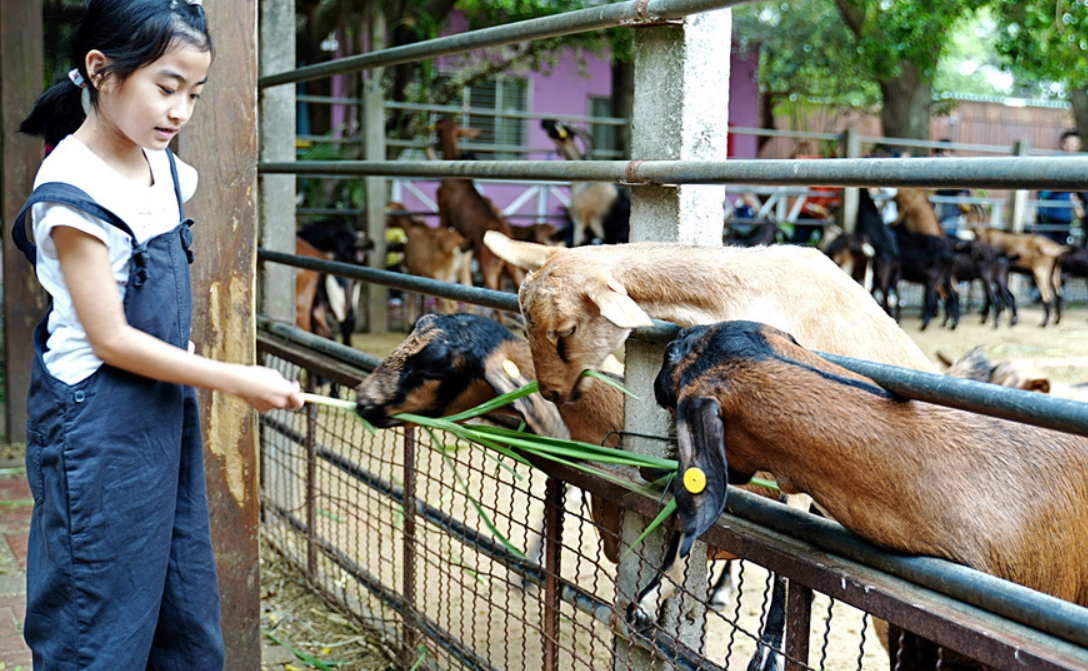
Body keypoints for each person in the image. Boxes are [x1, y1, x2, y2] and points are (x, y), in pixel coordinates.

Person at [12, 1, 303, 667]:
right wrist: (237, 378)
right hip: (95, 424)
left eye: (194, 94)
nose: (180, 112)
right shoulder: (72, 189)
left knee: (179, 599)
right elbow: (110, 337)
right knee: (97, 615)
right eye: (165, 88)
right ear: (101, 70)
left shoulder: (164, 167)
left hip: (162, 408)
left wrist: (185, 363)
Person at [1035, 129, 1086, 244]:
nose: (1070, 148)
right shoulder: (1052, 162)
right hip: (1047, 214)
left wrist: (1078, 205)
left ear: (1079, 146)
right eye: (1067, 144)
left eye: (1074, 145)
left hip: (1064, 215)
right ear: (1062, 144)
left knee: (1061, 246)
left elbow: (1079, 191)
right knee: (1043, 244)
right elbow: (1042, 192)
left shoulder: (1078, 165)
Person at [931, 139, 971, 236]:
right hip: (938, 207)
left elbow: (963, 193)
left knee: (948, 233)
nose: (941, 155)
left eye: (944, 151)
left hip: (952, 210)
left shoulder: (959, 165)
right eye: (938, 152)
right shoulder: (935, 166)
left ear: (951, 152)